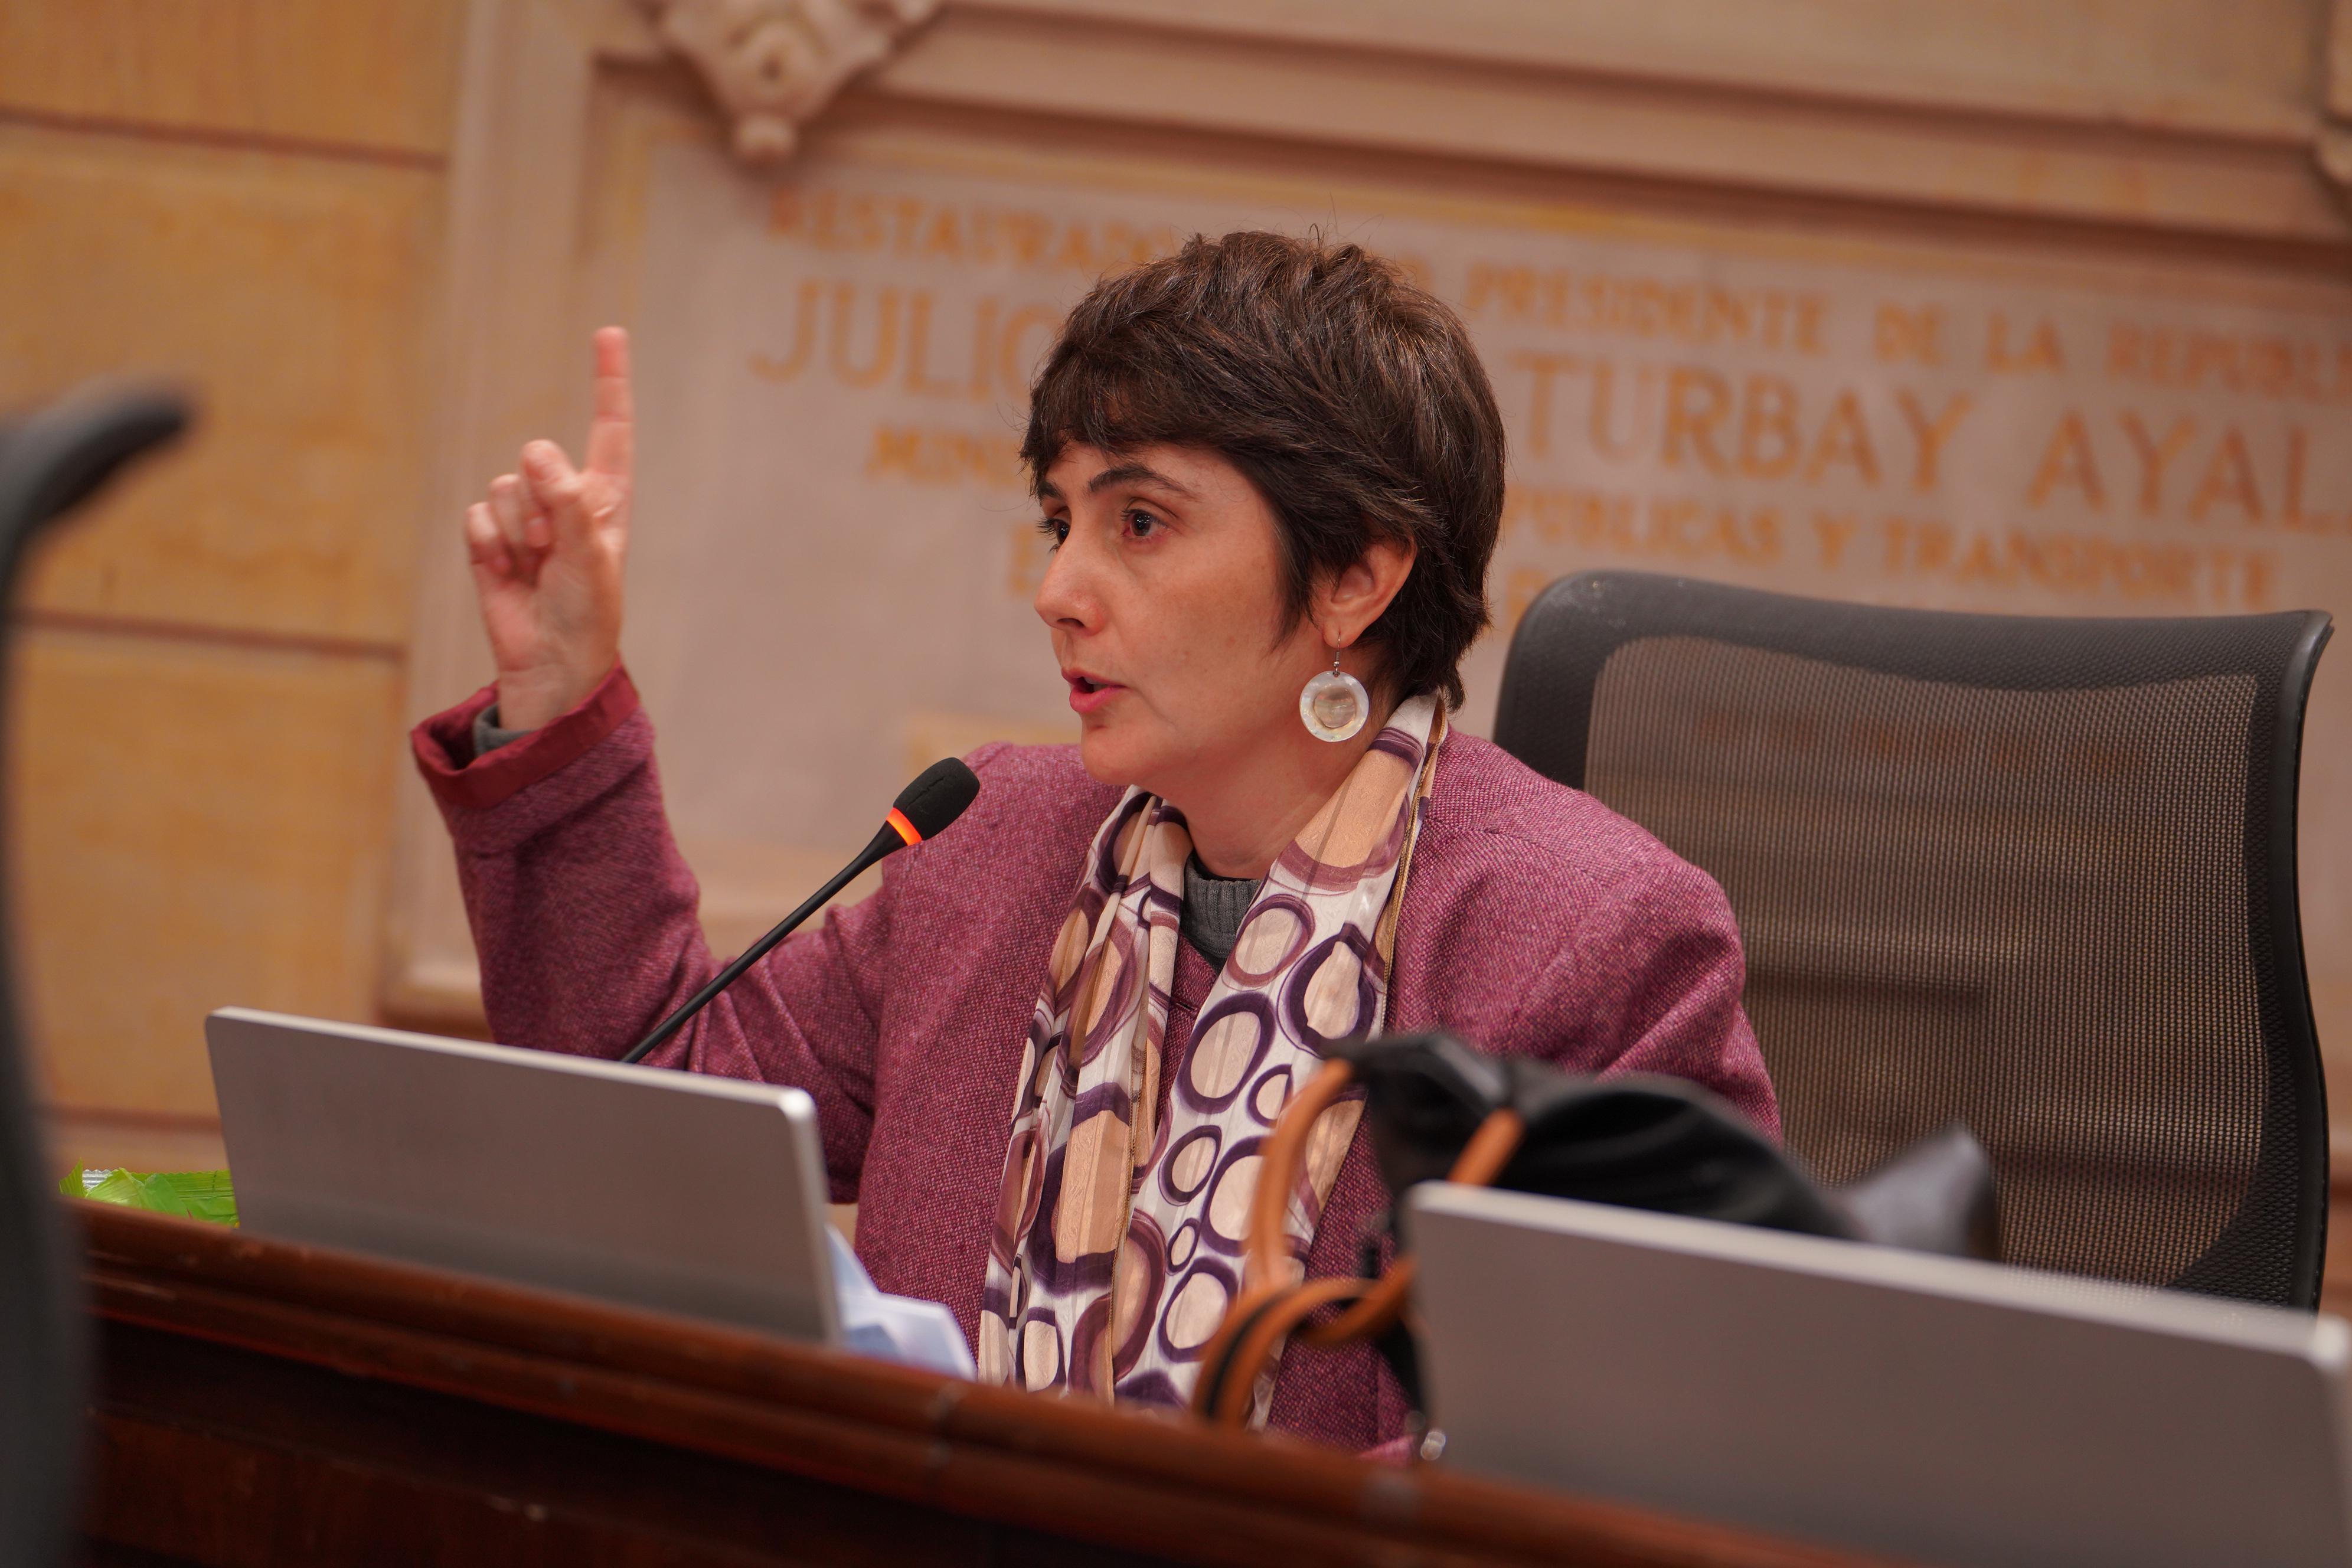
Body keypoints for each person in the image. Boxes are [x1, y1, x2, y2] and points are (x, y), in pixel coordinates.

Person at [411, 231, 1776, 1449]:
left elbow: (1610, 1451)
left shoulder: (1595, 936)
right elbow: (651, 1096)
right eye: (1061, 521)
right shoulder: (991, 845)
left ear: (1358, 573)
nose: (1059, 591)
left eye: (1139, 522)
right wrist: (561, 698)